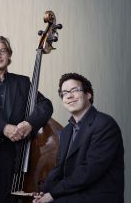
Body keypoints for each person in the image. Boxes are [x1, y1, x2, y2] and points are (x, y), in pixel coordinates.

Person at [0, 36, 53, 203]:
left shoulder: (23, 82)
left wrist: (30, 123)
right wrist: (4, 127)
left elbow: (46, 105)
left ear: (9, 55)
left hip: (12, 156)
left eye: (2, 51)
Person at [33, 72, 124, 203]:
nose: (69, 96)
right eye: (64, 93)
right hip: (75, 193)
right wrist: (45, 192)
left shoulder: (105, 124)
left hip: (98, 196)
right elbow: (59, 169)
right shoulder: (66, 131)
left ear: (88, 94)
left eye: (74, 90)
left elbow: (90, 170)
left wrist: (53, 194)